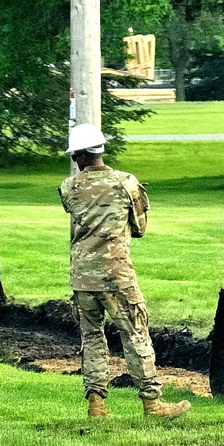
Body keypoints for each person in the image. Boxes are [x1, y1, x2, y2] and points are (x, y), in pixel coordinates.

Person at [59, 123, 191, 419]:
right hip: (117, 275)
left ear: (80, 156)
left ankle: (96, 404)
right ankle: (152, 403)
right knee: (135, 335)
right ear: (100, 151)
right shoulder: (127, 183)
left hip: (82, 277)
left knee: (91, 338)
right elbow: (140, 227)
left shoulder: (69, 187)